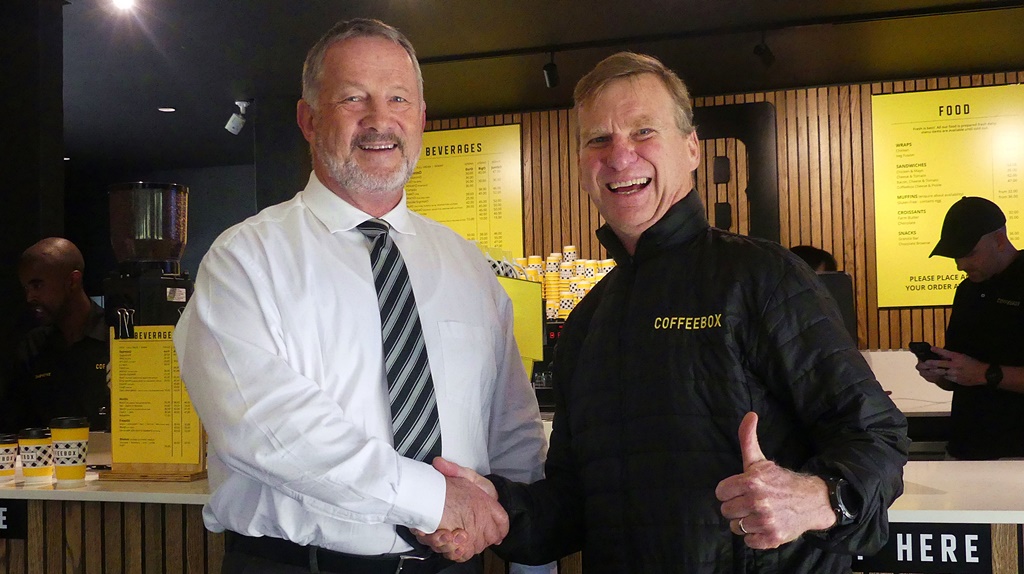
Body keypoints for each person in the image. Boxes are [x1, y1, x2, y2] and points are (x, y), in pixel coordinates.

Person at [419, 52, 909, 573]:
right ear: (583, 164)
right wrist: (498, 512)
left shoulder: (762, 278)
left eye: (643, 132)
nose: (620, 156)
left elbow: (876, 437)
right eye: (598, 139)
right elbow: (573, 507)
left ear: (692, 147)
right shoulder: (589, 321)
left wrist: (819, 497)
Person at [173, 18, 549, 574]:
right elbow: (270, 429)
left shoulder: (467, 265)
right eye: (353, 98)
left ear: (421, 118)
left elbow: (511, 426)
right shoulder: (244, 262)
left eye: (398, 98)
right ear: (308, 118)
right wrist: (435, 499)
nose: (380, 120)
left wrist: (530, 556)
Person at [915, 196, 1024, 460]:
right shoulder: (967, 291)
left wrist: (985, 374)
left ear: (999, 239)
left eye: (969, 254)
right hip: (965, 448)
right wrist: (942, 373)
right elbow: (961, 377)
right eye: (955, 257)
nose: (961, 265)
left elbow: (978, 374)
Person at [2, 237, 109, 433]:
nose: (30, 297)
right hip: (47, 461)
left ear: (72, 281)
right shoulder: (32, 348)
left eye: (37, 285)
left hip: (116, 461)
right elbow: (15, 426)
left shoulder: (117, 338)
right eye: (26, 288)